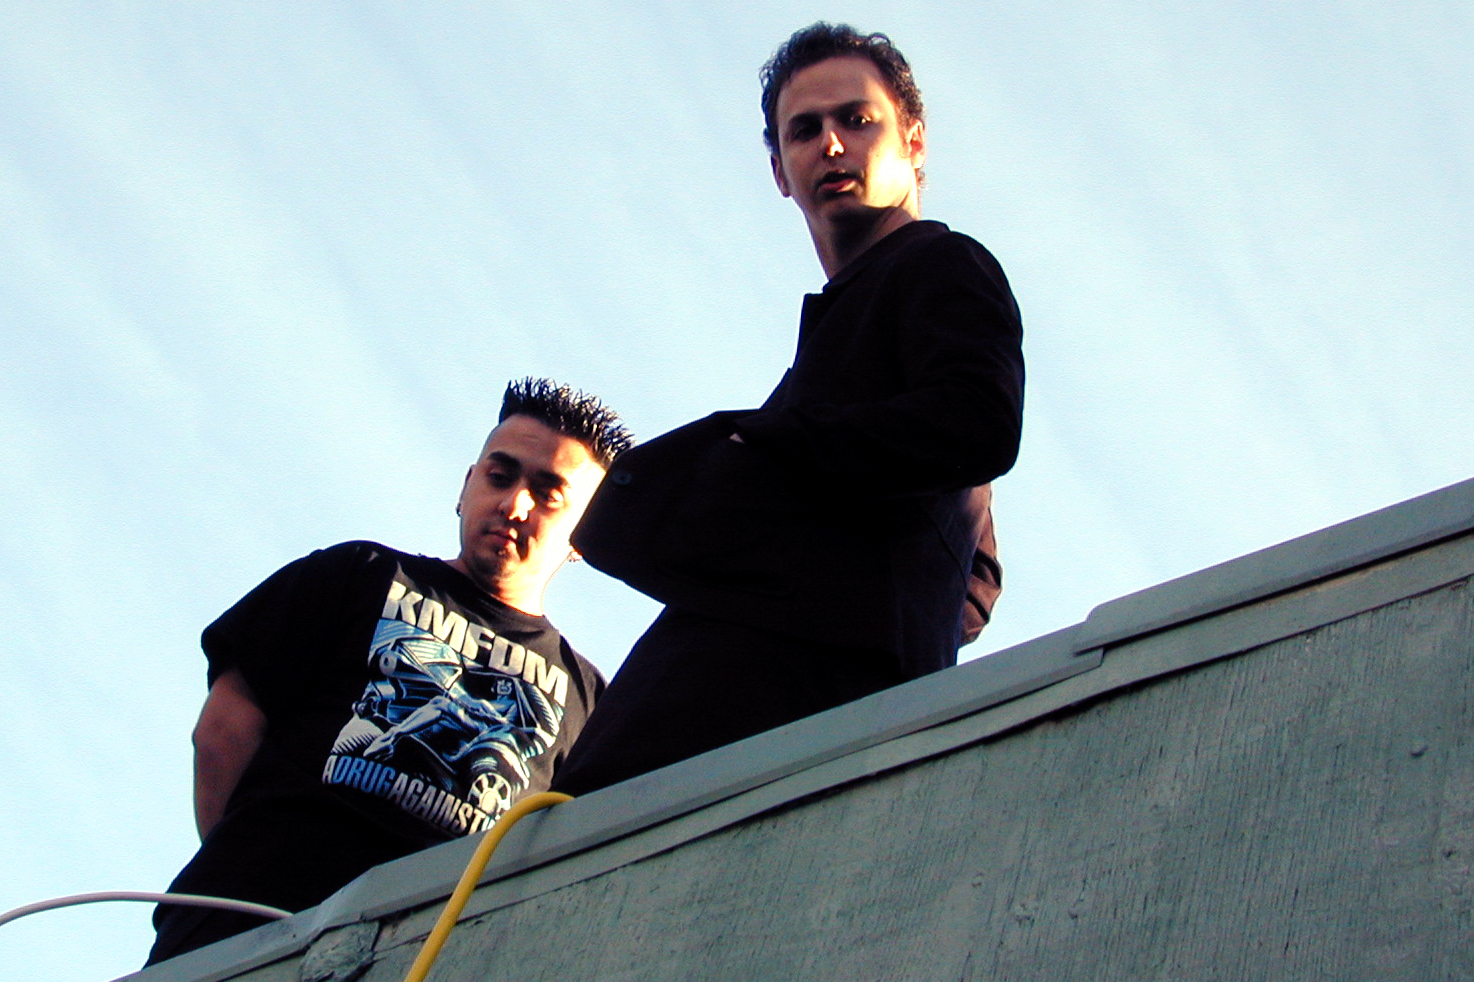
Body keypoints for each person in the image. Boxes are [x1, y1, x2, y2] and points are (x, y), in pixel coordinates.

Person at [552, 23, 1024, 796]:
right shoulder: (849, 337)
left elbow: (978, 423)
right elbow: (972, 586)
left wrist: (761, 454)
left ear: (913, 139)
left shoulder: (942, 264)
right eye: (804, 131)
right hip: (729, 714)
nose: (831, 144)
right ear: (780, 171)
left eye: (857, 120)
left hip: (772, 720)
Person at [146, 378, 632, 965]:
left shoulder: (590, 700)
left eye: (548, 494)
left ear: (584, 535)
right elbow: (224, 730)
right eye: (500, 476)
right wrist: (249, 875)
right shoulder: (357, 573)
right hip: (239, 934)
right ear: (466, 486)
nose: (513, 505)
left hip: (433, 960)